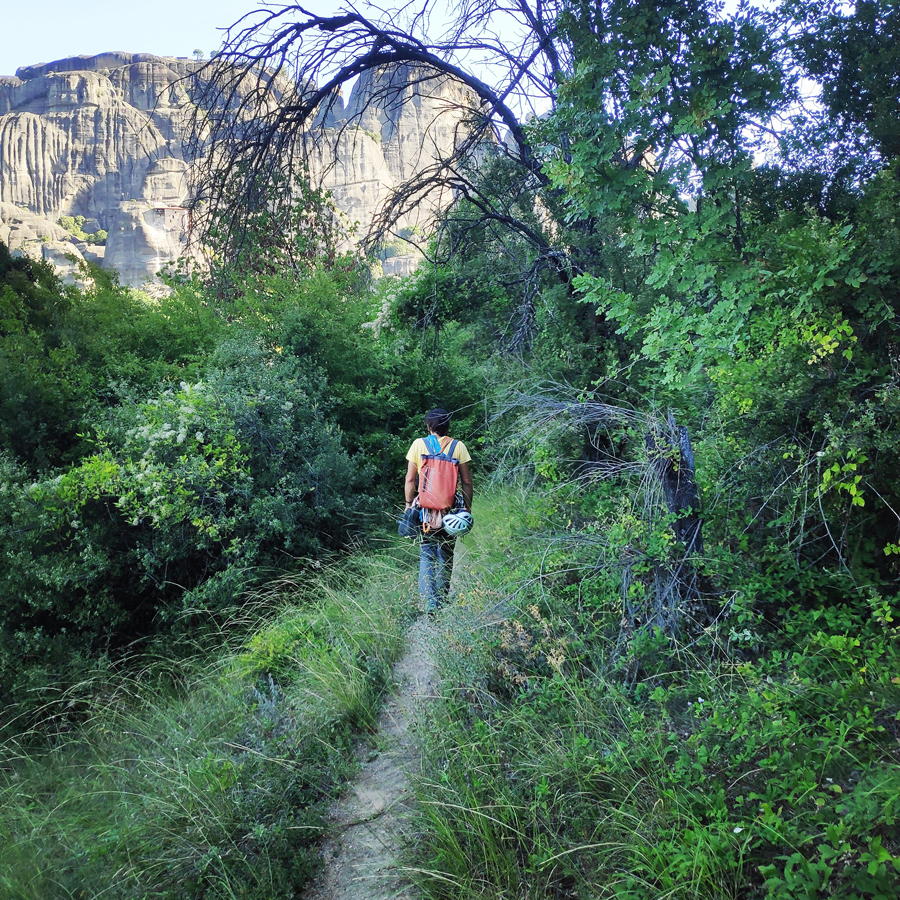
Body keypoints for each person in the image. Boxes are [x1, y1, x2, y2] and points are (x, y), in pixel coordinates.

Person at [405, 408, 473, 612]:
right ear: (448, 426)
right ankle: (442, 602)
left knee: (427, 554)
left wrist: (409, 505)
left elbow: (410, 479)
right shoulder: (458, 447)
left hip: (425, 512)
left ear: (428, 426)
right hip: (450, 513)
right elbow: (467, 482)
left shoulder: (419, 444)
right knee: (446, 554)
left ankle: (430, 603)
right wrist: (466, 509)